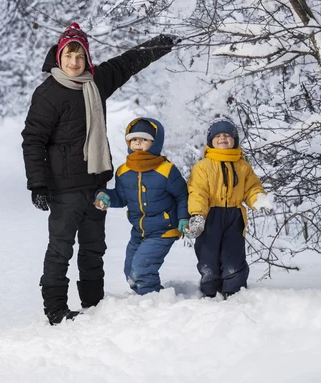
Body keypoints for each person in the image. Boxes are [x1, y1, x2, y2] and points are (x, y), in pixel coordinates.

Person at [21, 23, 180, 324]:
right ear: (59, 56)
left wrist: (164, 41)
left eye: (80, 56)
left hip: (96, 187)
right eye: (69, 55)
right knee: (60, 250)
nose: (74, 62)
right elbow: (33, 140)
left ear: (87, 58)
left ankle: (93, 306)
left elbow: (129, 61)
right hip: (64, 189)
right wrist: (38, 184)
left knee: (94, 248)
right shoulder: (48, 94)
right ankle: (55, 310)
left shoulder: (97, 81)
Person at [94, 118, 188, 295]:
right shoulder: (124, 171)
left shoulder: (166, 170)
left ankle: (152, 300)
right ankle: (143, 298)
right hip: (139, 230)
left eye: (144, 139)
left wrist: (183, 218)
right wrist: (105, 196)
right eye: (134, 139)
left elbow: (182, 195)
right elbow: (121, 197)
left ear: (155, 142)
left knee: (142, 269)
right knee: (130, 271)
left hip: (164, 229)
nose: (138, 142)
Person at [184, 117, 272, 299]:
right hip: (210, 216)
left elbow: (252, 188)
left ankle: (234, 292)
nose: (222, 138)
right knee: (208, 256)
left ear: (234, 140)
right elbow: (197, 192)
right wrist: (198, 215)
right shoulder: (203, 167)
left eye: (227, 135)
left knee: (233, 255)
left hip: (234, 217)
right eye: (218, 135)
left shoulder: (243, 166)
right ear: (211, 141)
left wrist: (259, 200)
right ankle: (210, 291)